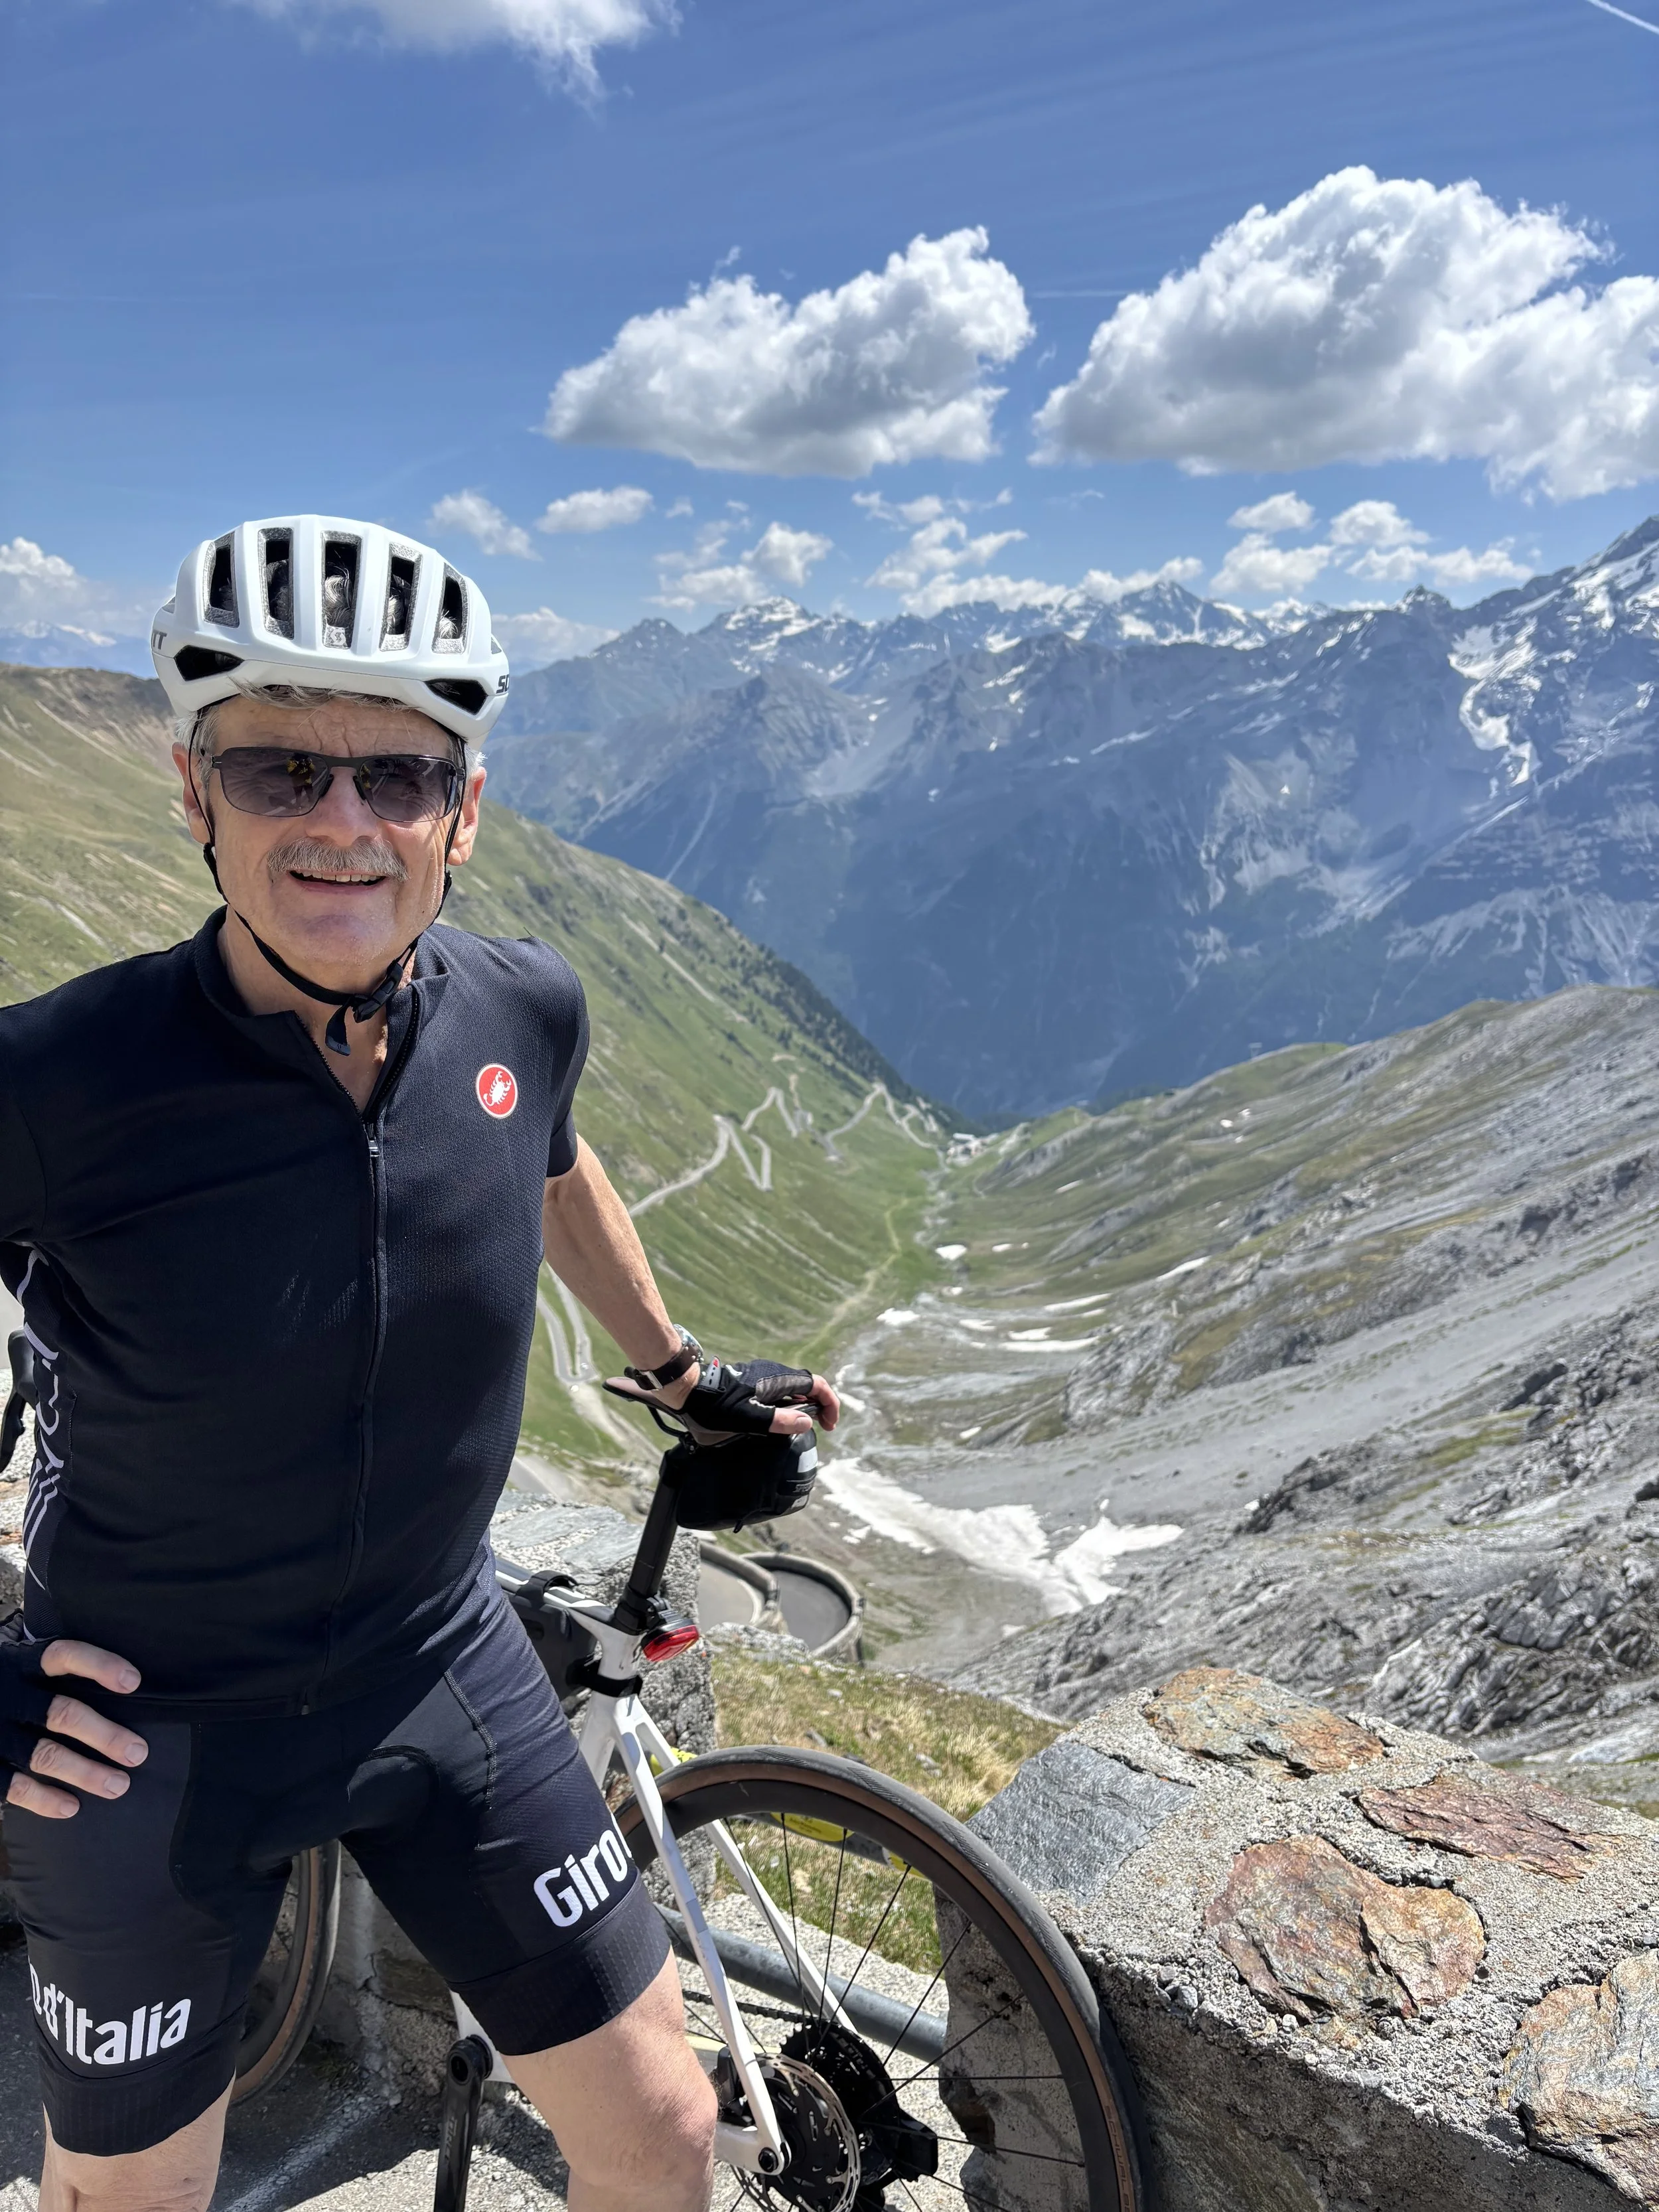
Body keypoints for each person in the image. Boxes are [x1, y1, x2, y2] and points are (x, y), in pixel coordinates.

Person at [0, 516, 839, 2212]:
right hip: (149, 1716)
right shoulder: (62, 1078)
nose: (341, 821)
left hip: (439, 1660)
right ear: (195, 794)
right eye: (279, 767)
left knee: (670, 2135)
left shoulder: (521, 1007)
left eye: (397, 774)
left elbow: (545, 1157)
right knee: (128, 2204)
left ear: (464, 810)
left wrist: (678, 1372)